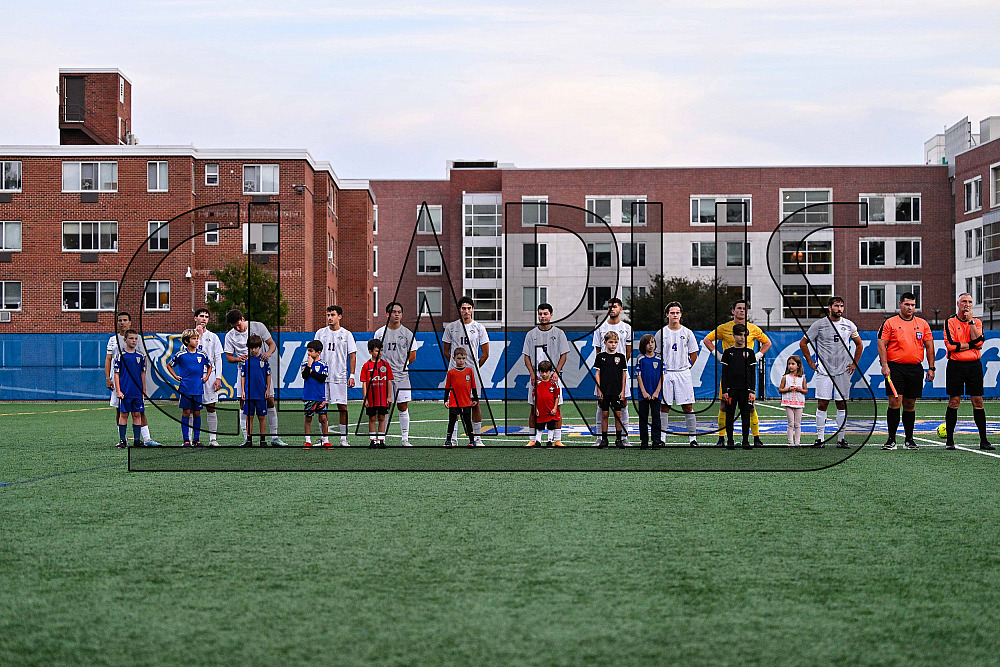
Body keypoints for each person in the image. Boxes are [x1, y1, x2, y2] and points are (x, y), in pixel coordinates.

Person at [704, 299, 771, 447]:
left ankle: (756, 438)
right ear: (733, 311)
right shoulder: (724, 328)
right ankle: (722, 439)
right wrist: (718, 355)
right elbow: (707, 340)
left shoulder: (753, 328)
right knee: (724, 405)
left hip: (746, 374)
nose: (742, 311)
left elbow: (767, 342)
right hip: (730, 374)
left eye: (744, 309)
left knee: (750, 406)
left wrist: (758, 355)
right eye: (739, 308)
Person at [799, 296, 863, 449]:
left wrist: (855, 363)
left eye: (841, 306)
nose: (839, 309)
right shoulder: (819, 325)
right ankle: (820, 439)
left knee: (841, 404)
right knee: (823, 403)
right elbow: (803, 342)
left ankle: (841, 439)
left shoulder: (849, 325)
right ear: (829, 307)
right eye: (836, 306)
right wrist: (810, 362)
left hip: (843, 371)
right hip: (824, 370)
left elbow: (859, 344)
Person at [877, 292, 935, 450]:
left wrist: (931, 367)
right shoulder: (890, 322)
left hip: (915, 368)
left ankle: (909, 439)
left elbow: (929, 346)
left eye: (913, 305)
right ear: (900, 304)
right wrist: (884, 364)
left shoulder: (922, 323)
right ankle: (891, 440)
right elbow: (881, 344)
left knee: (910, 404)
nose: (910, 307)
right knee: (895, 402)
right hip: (895, 368)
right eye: (907, 304)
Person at [224, 309, 287, 446]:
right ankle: (247, 438)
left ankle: (274, 437)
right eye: (234, 326)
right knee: (243, 403)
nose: (237, 328)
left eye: (238, 324)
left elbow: (272, 344)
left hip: (260, 371)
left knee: (269, 400)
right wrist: (238, 358)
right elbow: (229, 357)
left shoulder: (258, 326)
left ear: (243, 318)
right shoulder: (230, 336)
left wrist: (268, 353)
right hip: (244, 372)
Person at [942, 293, 994, 451]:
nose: (967, 304)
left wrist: (971, 322)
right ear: (958, 303)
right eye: (964, 301)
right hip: (956, 365)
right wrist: (973, 344)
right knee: (954, 401)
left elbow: (980, 342)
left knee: (978, 401)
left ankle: (984, 440)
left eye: (970, 301)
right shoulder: (950, 321)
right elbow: (951, 346)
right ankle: (950, 441)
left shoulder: (976, 322)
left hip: (974, 365)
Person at [105, 311, 160, 447]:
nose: (122, 322)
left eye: (125, 320)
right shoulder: (113, 339)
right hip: (119, 380)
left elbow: (143, 360)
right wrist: (108, 378)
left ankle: (146, 438)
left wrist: (142, 384)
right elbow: (108, 359)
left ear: (130, 322)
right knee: (120, 409)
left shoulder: (138, 339)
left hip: (134, 381)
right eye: (120, 320)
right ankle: (122, 439)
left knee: (139, 411)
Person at [442, 296, 490, 446]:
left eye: (469, 308)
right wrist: (457, 367)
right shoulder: (451, 327)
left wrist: (472, 369)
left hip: (472, 373)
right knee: (454, 405)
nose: (466, 311)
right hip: (455, 373)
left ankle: (477, 438)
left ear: (473, 309)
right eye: (463, 308)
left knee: (475, 404)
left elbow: (485, 354)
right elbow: (446, 351)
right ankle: (453, 438)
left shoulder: (479, 328)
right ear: (459, 310)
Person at [654, 302, 700, 447]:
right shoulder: (661, 333)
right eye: (672, 313)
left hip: (683, 373)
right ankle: (662, 438)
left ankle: (693, 439)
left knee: (687, 406)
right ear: (667, 315)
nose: (675, 315)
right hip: (666, 373)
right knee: (664, 406)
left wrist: (686, 367)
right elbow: (656, 354)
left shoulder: (687, 332)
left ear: (681, 315)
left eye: (677, 312)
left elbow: (693, 353)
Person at [522, 302, 570, 434]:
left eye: (545, 314)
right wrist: (532, 374)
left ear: (551, 315)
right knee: (533, 408)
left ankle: (557, 439)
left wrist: (557, 373)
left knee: (556, 407)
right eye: (540, 314)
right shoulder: (531, 334)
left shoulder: (559, 333)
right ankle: (533, 439)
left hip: (553, 376)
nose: (543, 316)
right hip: (537, 377)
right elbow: (526, 356)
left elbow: (564, 355)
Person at [374, 302, 417, 446]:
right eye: (393, 312)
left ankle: (405, 438)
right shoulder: (380, 333)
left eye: (399, 312)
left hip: (402, 376)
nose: (397, 314)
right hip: (384, 377)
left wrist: (403, 366)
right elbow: (376, 354)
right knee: (384, 407)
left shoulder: (407, 333)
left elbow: (413, 354)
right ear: (387, 314)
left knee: (402, 406)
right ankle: (382, 439)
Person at [592, 298, 633, 446]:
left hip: (620, 372)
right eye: (609, 307)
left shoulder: (627, 328)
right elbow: (598, 350)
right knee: (601, 405)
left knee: (623, 403)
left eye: (614, 307)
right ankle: (599, 437)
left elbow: (627, 352)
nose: (612, 309)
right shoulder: (600, 327)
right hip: (604, 373)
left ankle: (623, 437)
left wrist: (619, 366)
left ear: (620, 309)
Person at [315, 305, 357, 447]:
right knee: (322, 407)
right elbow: (314, 354)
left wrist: (351, 375)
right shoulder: (320, 333)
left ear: (340, 316)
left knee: (342, 407)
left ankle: (343, 439)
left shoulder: (347, 334)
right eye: (328, 315)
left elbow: (352, 355)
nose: (330, 318)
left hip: (339, 376)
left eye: (332, 315)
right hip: (322, 378)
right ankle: (324, 439)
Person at [167, 328, 212, 447]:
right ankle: (186, 440)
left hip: (198, 388)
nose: (197, 341)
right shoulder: (181, 354)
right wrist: (176, 376)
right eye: (194, 339)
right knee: (186, 412)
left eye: (197, 338)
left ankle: (197, 439)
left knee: (197, 412)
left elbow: (210, 365)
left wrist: (206, 377)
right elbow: (169, 365)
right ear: (186, 341)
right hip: (186, 388)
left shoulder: (202, 354)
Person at [720, 324, 757, 450]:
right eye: (740, 335)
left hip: (746, 391)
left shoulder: (750, 353)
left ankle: (746, 441)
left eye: (744, 335)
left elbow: (753, 374)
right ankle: (730, 440)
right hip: (731, 390)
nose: (742, 338)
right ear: (734, 335)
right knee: (729, 415)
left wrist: (752, 391)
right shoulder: (728, 353)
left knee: (746, 415)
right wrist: (724, 390)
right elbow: (724, 373)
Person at [193, 307, 225, 447]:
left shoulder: (213, 337)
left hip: (210, 375)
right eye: (201, 316)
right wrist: (198, 337)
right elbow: (189, 353)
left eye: (206, 316)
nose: (204, 318)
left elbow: (218, 358)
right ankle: (190, 439)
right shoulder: (189, 335)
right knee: (191, 409)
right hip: (194, 377)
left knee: (211, 407)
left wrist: (218, 378)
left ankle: (213, 438)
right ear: (195, 318)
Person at [113, 329, 148, 448]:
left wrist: (144, 389)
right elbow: (116, 374)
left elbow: (142, 374)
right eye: (131, 338)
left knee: (137, 414)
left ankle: (137, 440)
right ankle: (122, 440)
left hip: (137, 392)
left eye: (136, 338)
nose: (134, 341)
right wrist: (118, 390)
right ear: (125, 340)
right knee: (124, 415)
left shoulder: (141, 356)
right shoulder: (120, 356)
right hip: (125, 391)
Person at [595, 331, 629, 449]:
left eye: (615, 342)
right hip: (604, 391)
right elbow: (597, 373)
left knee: (618, 414)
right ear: (605, 343)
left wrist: (623, 390)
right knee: (604, 414)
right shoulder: (600, 356)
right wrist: (599, 390)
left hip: (617, 390)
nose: (613, 344)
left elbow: (624, 375)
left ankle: (619, 439)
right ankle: (604, 439)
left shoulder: (621, 357)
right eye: (610, 342)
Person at [360, 338, 394, 449]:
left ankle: (382, 440)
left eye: (381, 351)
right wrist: (365, 398)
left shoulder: (386, 365)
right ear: (370, 352)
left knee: (382, 417)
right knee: (372, 418)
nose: (379, 353)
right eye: (376, 351)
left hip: (383, 398)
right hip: (371, 398)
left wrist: (389, 396)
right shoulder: (366, 366)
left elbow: (389, 381)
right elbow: (364, 383)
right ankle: (373, 440)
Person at [239, 334, 271, 448]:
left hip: (261, 393)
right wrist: (243, 391)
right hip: (249, 393)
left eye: (255, 347)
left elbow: (268, 375)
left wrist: (267, 389)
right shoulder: (246, 360)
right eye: (251, 348)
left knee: (262, 417)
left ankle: (263, 440)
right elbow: (243, 376)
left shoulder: (264, 359)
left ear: (259, 347)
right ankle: (249, 440)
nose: (253, 350)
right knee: (249, 417)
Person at [443, 347, 478, 448]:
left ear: (466, 358)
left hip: (466, 401)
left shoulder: (469, 371)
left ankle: (472, 440)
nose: (461, 360)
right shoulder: (451, 372)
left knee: (467, 422)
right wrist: (446, 400)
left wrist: (475, 398)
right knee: (452, 421)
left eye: (463, 358)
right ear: (454, 358)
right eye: (459, 358)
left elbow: (473, 386)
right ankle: (448, 440)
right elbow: (447, 387)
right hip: (454, 402)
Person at [301, 340, 330, 448]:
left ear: (318, 352)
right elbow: (305, 376)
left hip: (320, 396)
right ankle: (308, 441)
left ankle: (326, 440)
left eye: (311, 351)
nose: (309, 353)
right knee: (308, 418)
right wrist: (309, 365)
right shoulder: (304, 364)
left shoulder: (323, 364)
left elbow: (322, 378)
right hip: (309, 396)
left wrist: (312, 371)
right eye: (308, 351)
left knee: (323, 418)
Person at [635, 334, 662, 450]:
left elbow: (662, 376)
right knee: (643, 418)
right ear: (643, 345)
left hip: (656, 394)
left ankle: (656, 440)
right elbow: (638, 376)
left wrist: (656, 392)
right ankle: (644, 441)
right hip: (643, 395)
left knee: (656, 417)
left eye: (652, 342)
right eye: (648, 343)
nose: (650, 345)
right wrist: (644, 392)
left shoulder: (659, 358)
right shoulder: (640, 358)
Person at [527, 360, 563, 447]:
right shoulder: (537, 384)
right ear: (539, 372)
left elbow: (557, 396)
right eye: (542, 372)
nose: (544, 374)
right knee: (539, 426)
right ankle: (537, 441)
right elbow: (534, 397)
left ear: (550, 372)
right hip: (541, 409)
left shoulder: (554, 384)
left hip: (550, 409)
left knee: (551, 426)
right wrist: (536, 408)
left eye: (546, 372)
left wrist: (554, 408)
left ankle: (550, 441)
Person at [779, 355, 807, 447]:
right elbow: (780, 389)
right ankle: (790, 442)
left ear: (798, 365)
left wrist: (800, 389)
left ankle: (797, 442)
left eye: (793, 364)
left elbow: (805, 391)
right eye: (789, 364)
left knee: (797, 424)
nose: (790, 366)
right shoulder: (785, 377)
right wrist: (788, 389)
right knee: (791, 423)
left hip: (799, 402)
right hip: (788, 402)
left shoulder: (802, 378)